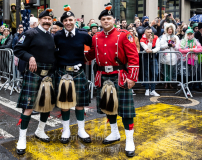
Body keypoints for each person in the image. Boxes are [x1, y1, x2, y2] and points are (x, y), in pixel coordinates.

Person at [85, 2, 139, 157]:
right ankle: (114, 133)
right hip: (102, 76)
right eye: (103, 19)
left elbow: (133, 57)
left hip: (120, 75)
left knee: (126, 110)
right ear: (100, 22)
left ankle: (129, 140)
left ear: (114, 20)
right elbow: (90, 55)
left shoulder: (124, 35)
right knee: (109, 107)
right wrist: (73, 55)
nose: (106, 21)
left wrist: (132, 77)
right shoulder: (95, 37)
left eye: (108, 18)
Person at [14, 8, 56, 155]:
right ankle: (22, 138)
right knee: (28, 107)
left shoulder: (51, 36)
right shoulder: (30, 33)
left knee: (46, 105)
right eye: (44, 19)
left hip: (48, 76)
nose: (47, 21)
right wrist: (30, 57)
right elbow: (17, 49)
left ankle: (40, 130)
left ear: (52, 21)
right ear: (39, 20)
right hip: (33, 74)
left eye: (49, 20)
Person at [54, 5, 92, 144]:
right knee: (65, 103)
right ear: (62, 22)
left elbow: (94, 47)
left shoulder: (83, 35)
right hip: (63, 72)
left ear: (74, 20)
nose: (68, 22)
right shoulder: (57, 36)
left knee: (80, 103)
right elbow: (52, 51)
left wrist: (87, 59)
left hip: (79, 72)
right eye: (65, 21)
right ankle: (66, 130)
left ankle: (81, 130)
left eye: (70, 20)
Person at [179, 27, 202, 95]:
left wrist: (193, 50)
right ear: (186, 34)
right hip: (184, 60)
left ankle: (189, 89)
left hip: (193, 60)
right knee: (185, 75)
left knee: (192, 75)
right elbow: (181, 50)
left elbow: (200, 49)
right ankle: (185, 88)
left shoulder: (195, 41)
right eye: (188, 34)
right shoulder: (183, 41)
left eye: (191, 34)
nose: (190, 35)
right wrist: (189, 50)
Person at [140, 27, 160, 97]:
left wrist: (152, 51)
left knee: (155, 73)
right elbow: (147, 49)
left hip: (154, 57)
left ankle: (153, 90)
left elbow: (158, 48)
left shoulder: (156, 37)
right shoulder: (142, 39)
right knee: (146, 74)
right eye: (148, 32)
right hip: (146, 58)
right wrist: (150, 42)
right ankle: (147, 89)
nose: (150, 34)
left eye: (151, 32)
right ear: (145, 33)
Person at [160, 23, 180, 89]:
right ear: (166, 30)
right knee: (166, 70)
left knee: (171, 71)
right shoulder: (163, 37)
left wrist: (174, 46)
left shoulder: (176, 37)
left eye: (171, 29)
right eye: (169, 29)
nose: (170, 30)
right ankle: (166, 83)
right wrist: (167, 45)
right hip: (165, 56)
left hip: (173, 56)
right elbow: (161, 46)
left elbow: (178, 47)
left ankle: (170, 83)